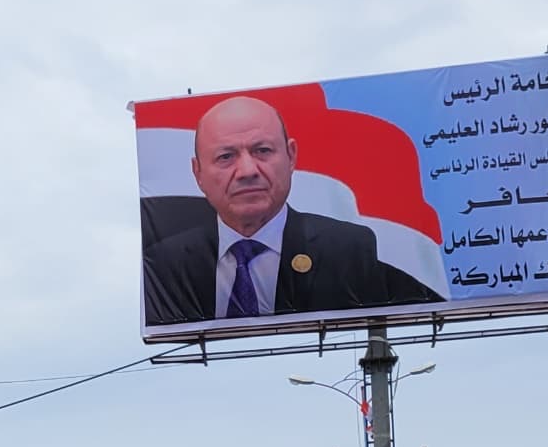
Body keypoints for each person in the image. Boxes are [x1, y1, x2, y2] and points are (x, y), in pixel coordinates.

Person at [141, 96, 439, 325]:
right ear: (198, 173)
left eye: (262, 151)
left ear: (291, 156)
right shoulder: (165, 264)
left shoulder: (349, 249)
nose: (247, 170)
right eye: (226, 156)